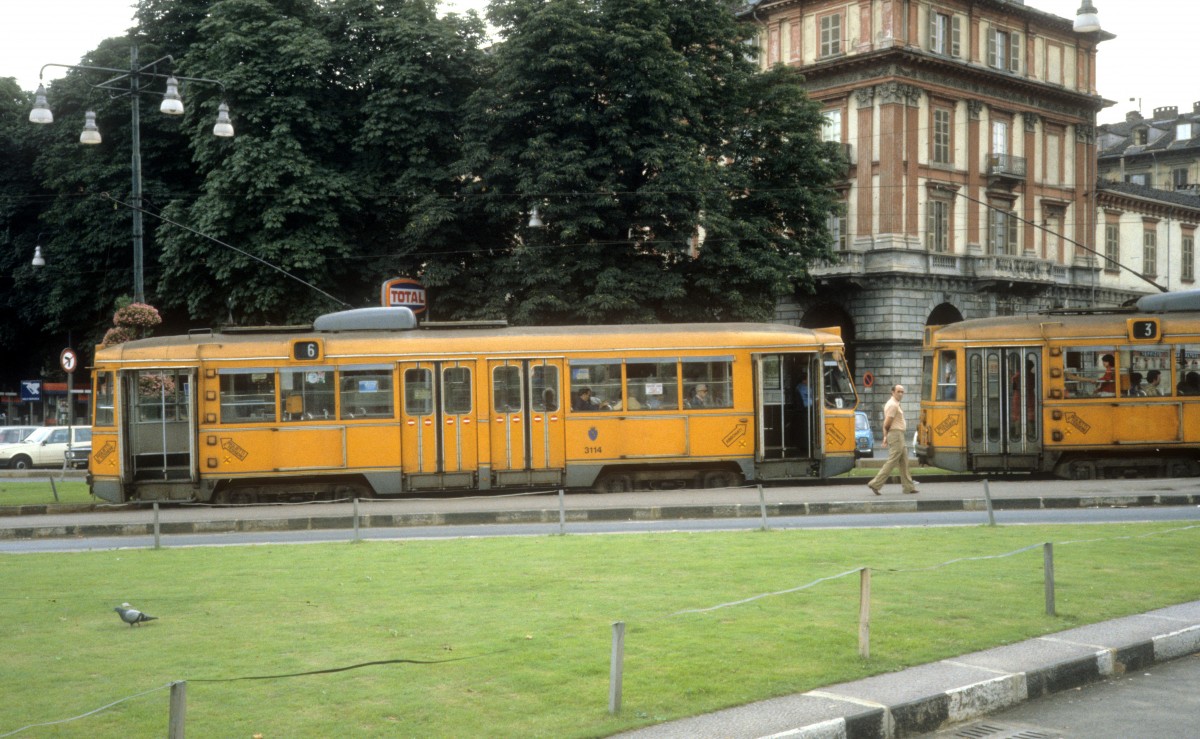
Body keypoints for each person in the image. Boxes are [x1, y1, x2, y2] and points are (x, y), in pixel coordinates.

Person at [867, 384, 918, 496]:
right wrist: (886, 436)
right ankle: (875, 483)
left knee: (904, 462)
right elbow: (886, 424)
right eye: (898, 391)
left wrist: (886, 437)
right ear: (893, 392)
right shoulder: (893, 405)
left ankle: (908, 487)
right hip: (896, 435)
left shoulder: (894, 404)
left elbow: (887, 424)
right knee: (892, 461)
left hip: (898, 435)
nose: (901, 394)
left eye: (902, 392)